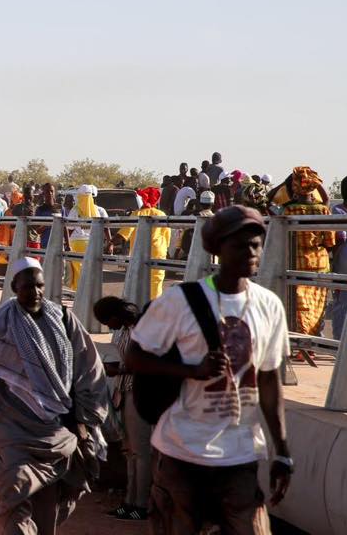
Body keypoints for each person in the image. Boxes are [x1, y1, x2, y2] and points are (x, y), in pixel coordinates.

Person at [126, 205, 292, 535]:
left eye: (256, 244)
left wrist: (282, 452)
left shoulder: (269, 305)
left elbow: (269, 379)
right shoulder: (179, 301)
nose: (250, 252)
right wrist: (190, 370)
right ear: (216, 249)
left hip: (240, 455)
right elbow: (134, 358)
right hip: (182, 452)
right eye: (239, 245)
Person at [0, 257, 108, 535]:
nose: (35, 292)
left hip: (58, 429)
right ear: (14, 287)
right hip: (15, 431)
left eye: (39, 286)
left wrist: (85, 419)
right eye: (27, 287)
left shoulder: (63, 318)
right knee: (15, 491)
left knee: (50, 500)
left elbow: (88, 369)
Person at [93, 296, 151, 521]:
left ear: (115, 316)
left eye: (108, 321)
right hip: (125, 392)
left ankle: (141, 504)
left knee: (140, 452)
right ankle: (130, 501)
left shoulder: (142, 330)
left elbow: (147, 365)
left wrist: (119, 370)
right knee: (130, 451)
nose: (109, 326)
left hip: (138, 392)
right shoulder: (126, 331)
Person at [281, 166, 336, 361]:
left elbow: (271, 204)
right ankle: (308, 347)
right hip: (320, 264)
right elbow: (330, 241)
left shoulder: (289, 210)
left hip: (296, 263)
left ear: (295, 187)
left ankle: (303, 347)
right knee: (316, 308)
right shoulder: (323, 210)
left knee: (300, 308)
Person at [114, 187, 171, 299]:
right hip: (159, 253)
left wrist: (110, 243)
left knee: (138, 281)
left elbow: (124, 233)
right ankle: (154, 305)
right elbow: (167, 236)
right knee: (156, 281)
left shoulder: (138, 214)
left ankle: (139, 305)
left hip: (140, 253)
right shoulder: (162, 214)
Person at [66, 185, 111, 290]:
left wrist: (66, 244)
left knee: (78, 270)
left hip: (77, 244)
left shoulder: (75, 210)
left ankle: (78, 292)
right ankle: (90, 291)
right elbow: (106, 228)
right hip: (94, 244)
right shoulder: (99, 210)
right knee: (92, 269)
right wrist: (110, 243)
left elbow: (69, 229)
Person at [330, 176, 347, 339]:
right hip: (343, 263)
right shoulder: (337, 210)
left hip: (342, 263)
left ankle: (339, 342)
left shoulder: (337, 210)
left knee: (342, 303)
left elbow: (339, 238)